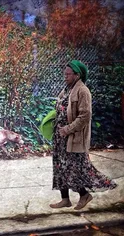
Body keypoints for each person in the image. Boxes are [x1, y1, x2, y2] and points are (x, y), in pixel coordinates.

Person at [50, 60, 117, 210]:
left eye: (68, 74)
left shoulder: (83, 91)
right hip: (60, 137)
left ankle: (85, 195)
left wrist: (67, 129)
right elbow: (61, 109)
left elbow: (85, 116)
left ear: (77, 75)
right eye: (64, 74)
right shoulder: (67, 89)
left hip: (73, 137)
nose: (65, 76)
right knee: (60, 167)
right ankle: (65, 199)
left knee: (75, 169)